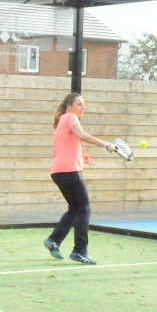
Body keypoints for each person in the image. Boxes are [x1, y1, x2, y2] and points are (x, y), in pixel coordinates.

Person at [43, 93, 113, 266]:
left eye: (83, 104)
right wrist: (105, 145)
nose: (83, 107)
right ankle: (80, 251)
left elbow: (66, 147)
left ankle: (54, 240)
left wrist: (81, 157)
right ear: (69, 106)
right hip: (69, 171)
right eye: (79, 104)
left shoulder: (62, 121)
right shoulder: (71, 117)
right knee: (84, 208)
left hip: (58, 172)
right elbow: (81, 136)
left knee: (75, 209)